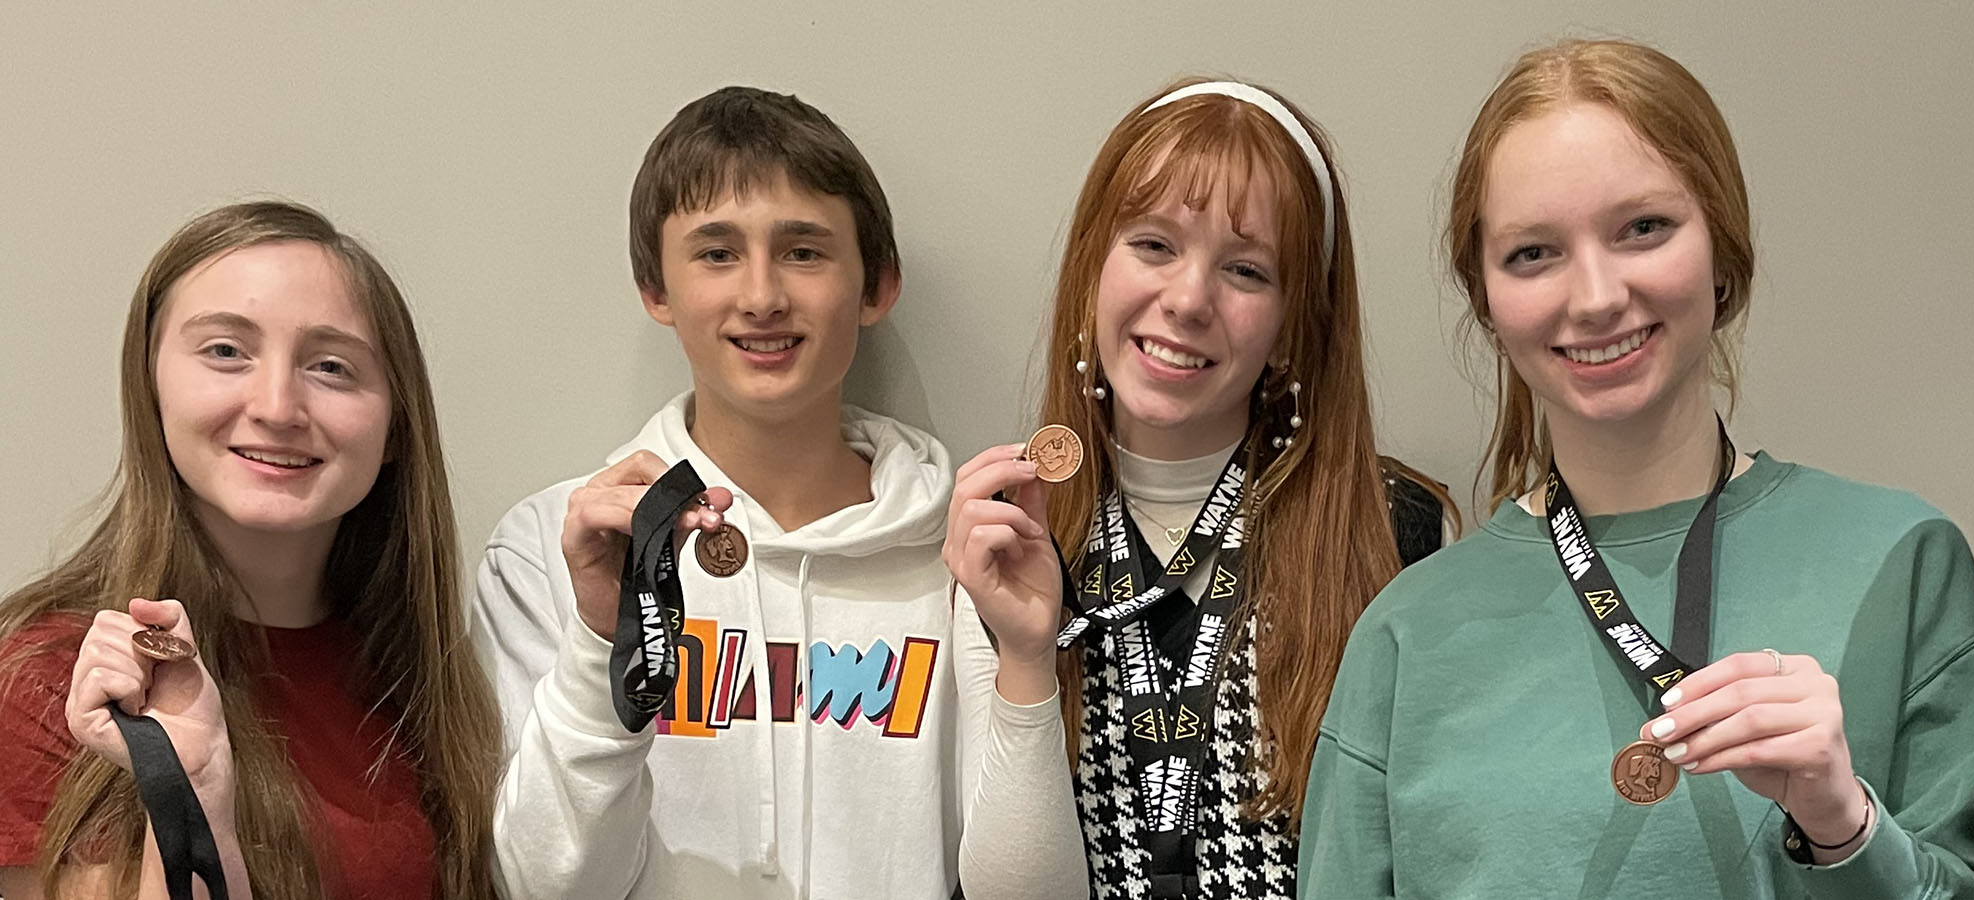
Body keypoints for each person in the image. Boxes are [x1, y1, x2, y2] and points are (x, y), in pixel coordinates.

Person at [1298, 38, 1974, 898]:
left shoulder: (1902, 563)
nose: (1595, 296)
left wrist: (1842, 824)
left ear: (1723, 255)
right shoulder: (1406, 633)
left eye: (1643, 228)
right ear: (1485, 299)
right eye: (1533, 252)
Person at [473, 87, 988, 898]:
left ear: (877, 287)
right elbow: (542, 886)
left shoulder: (961, 555)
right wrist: (604, 641)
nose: (761, 295)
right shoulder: (553, 546)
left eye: (804, 252)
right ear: (657, 290)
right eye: (716, 253)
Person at [946, 77, 1451, 899]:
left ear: (1294, 326)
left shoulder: (1393, 533)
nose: (1186, 300)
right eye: (1153, 245)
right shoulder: (1010, 527)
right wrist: (1030, 655)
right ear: (1090, 274)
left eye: (1246, 270)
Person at [0, 201, 501, 899]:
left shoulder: (425, 680)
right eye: (226, 352)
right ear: (149, 387)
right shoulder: (51, 680)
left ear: (394, 429)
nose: (276, 407)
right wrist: (193, 797)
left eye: (330, 366)